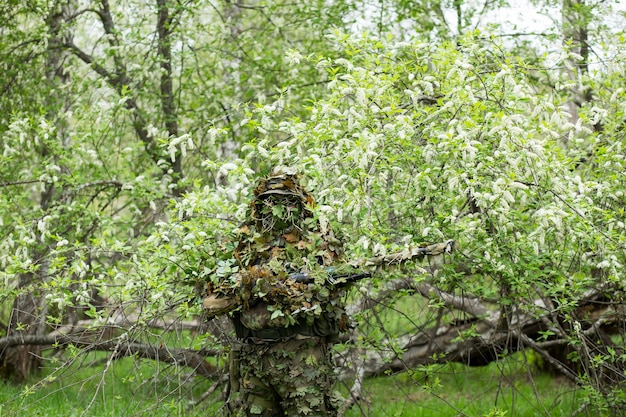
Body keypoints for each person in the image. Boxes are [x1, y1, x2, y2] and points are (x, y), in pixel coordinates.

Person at [203, 172, 357, 416]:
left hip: (303, 357)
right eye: (271, 201)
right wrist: (254, 286)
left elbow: (325, 293)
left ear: (300, 204)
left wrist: (287, 288)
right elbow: (212, 302)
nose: (279, 208)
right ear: (260, 205)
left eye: (286, 201)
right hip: (255, 356)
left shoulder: (319, 241)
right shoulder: (244, 245)